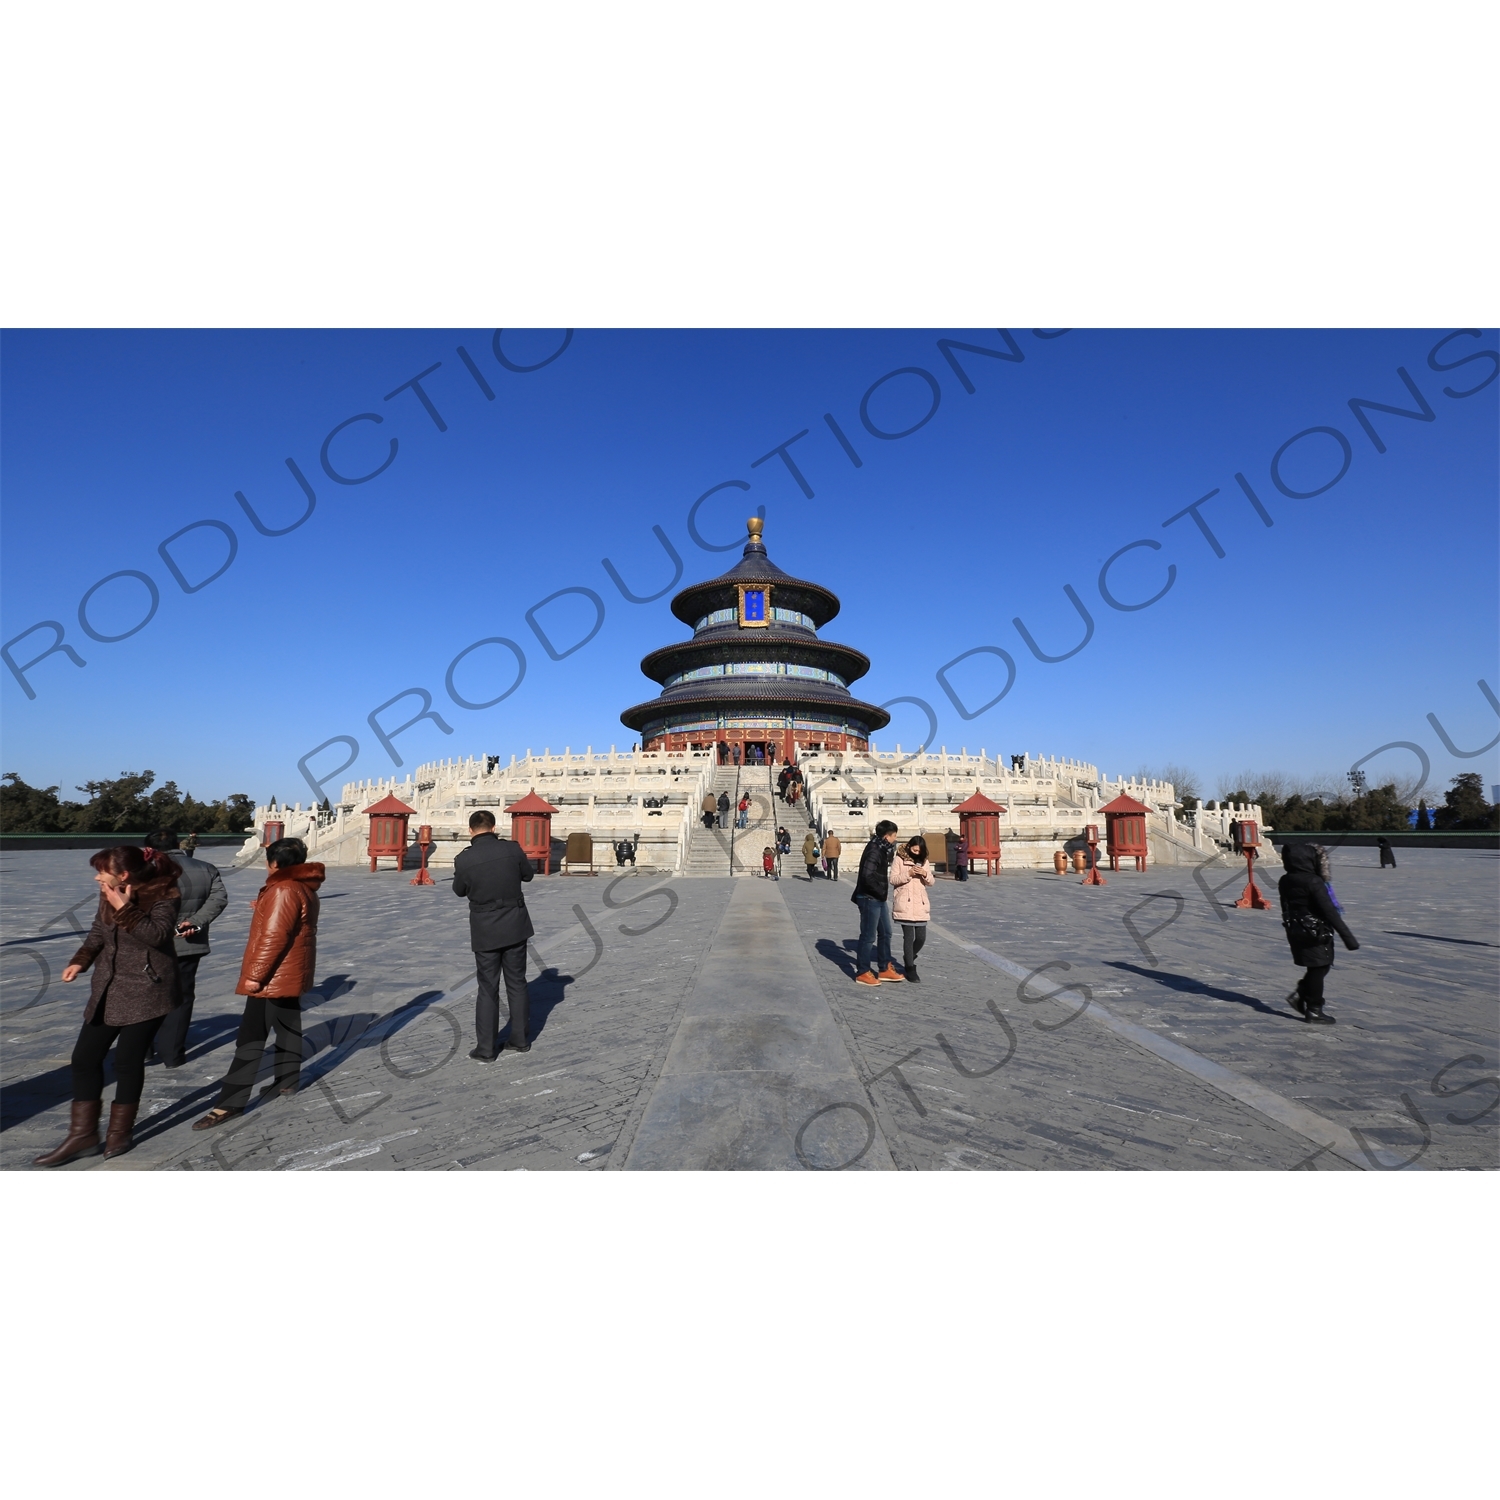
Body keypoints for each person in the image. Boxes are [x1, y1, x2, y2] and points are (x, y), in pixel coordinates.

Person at [34, 846, 182, 1166]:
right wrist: (80, 961)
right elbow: (98, 933)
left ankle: (119, 1133)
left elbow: (157, 936)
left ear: (124, 874)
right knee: (84, 1058)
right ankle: (83, 1135)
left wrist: (125, 908)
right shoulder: (106, 893)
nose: (97, 876)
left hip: (148, 989)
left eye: (102, 870)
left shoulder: (164, 893)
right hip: (109, 987)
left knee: (128, 1062)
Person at [193, 837, 324, 1128]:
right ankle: (288, 1080)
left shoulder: (284, 890)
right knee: (289, 1026)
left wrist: (255, 977)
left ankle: (230, 1103)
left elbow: (274, 938)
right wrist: (266, 906)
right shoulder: (300, 887)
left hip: (274, 975)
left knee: (250, 1039)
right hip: (290, 971)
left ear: (274, 863)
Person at [449, 809, 536, 1060]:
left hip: (485, 928)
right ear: (494, 827)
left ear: (470, 831)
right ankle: (519, 1040)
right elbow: (528, 876)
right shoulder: (512, 849)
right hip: (515, 923)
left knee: (488, 987)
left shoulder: (464, 859)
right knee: (517, 982)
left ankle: (486, 1049)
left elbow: (459, 891)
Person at [144, 829, 228, 1069]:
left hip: (152, 944)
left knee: (147, 995)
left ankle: (142, 1049)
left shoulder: (146, 871)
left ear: (149, 849)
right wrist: (195, 922)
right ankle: (173, 1055)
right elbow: (218, 899)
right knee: (181, 997)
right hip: (189, 943)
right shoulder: (206, 868)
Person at [1278, 843, 1359, 1024]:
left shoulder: (1285, 879)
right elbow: (1329, 911)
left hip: (1297, 928)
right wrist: (1348, 938)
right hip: (1316, 930)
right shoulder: (1313, 881)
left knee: (1317, 966)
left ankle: (1301, 994)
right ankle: (1313, 1009)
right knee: (1319, 966)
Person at [851, 820, 902, 987]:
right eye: (894, 836)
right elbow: (867, 875)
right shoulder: (874, 849)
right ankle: (863, 971)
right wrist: (880, 891)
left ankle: (884, 967)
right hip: (868, 898)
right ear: (887, 836)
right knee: (868, 936)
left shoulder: (881, 848)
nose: (895, 839)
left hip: (877, 898)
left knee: (886, 932)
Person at [890, 835, 935, 982]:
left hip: (920, 904)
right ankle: (910, 967)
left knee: (921, 938)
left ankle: (908, 955)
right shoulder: (899, 859)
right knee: (908, 938)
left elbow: (931, 882)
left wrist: (925, 874)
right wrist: (908, 874)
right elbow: (893, 879)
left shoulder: (925, 861)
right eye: (914, 849)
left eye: (919, 851)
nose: (916, 852)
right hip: (905, 903)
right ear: (910, 847)